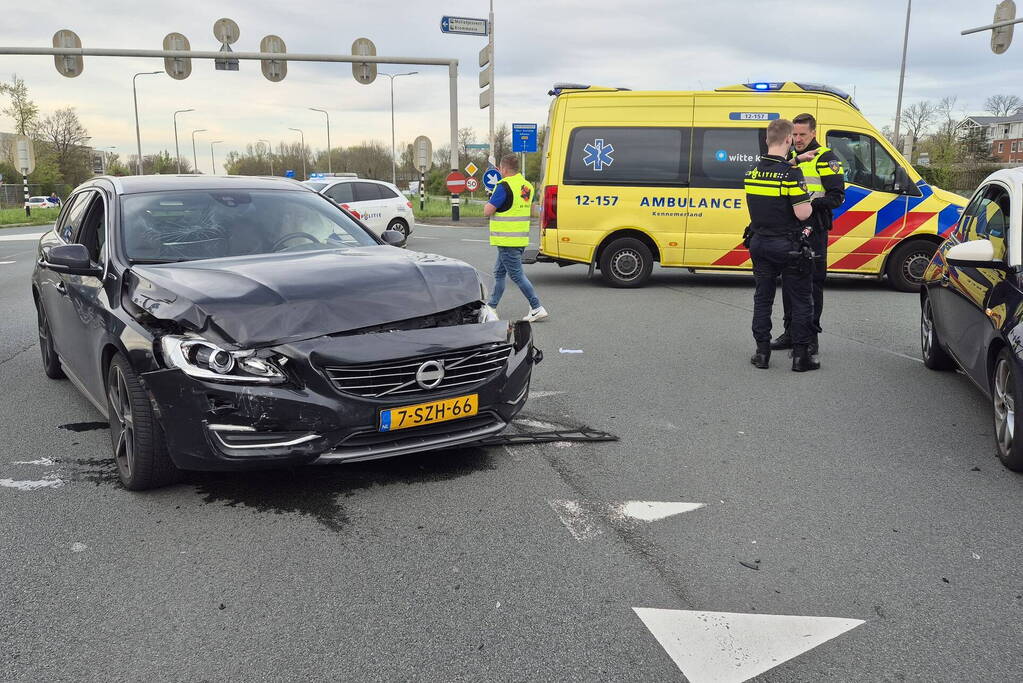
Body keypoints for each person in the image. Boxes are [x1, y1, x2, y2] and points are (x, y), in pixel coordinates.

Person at [770, 112, 845, 360]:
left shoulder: (826, 158)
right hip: (791, 231)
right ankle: (790, 333)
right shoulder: (791, 158)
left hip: (815, 230)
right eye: (795, 134)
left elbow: (837, 197)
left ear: (814, 133)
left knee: (812, 285)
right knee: (789, 283)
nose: (798, 139)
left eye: (803, 134)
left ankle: (810, 338)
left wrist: (809, 206)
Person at [745, 118, 818, 372]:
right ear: (789, 140)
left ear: (767, 139)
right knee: (800, 301)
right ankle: (800, 357)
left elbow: (772, 169)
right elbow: (803, 213)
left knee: (762, 299)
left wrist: (796, 161)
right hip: (788, 246)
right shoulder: (791, 175)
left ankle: (762, 353)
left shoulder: (752, 173)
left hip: (759, 243)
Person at [483, 154, 548, 322]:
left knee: (517, 275)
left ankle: (536, 307)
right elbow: (531, 209)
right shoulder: (527, 186)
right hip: (519, 239)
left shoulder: (503, 186)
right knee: (499, 272)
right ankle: (492, 307)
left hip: (506, 240)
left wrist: (490, 198)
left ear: (503, 169)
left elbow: (487, 211)